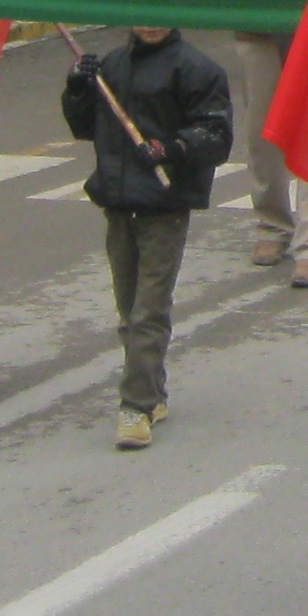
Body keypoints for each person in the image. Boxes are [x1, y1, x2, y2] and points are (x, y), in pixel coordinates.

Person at [62, 25, 232, 451]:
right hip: (120, 204)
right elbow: (86, 127)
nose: (150, 25)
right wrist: (78, 88)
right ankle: (153, 393)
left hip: (164, 208)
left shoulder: (197, 69)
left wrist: (171, 149)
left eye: (157, 17)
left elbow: (216, 135)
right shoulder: (113, 66)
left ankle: (135, 405)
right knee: (129, 309)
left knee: (148, 312)